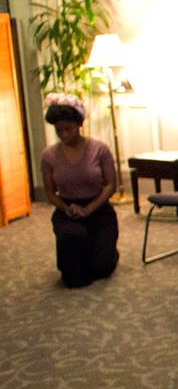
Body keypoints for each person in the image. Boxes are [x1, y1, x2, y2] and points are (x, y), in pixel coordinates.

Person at [40, 93, 119, 288]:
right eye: (59, 131)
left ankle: (105, 251)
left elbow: (110, 185)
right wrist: (67, 208)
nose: (64, 134)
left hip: (99, 209)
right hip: (68, 210)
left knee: (102, 269)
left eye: (68, 129)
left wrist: (90, 208)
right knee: (74, 277)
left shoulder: (99, 149)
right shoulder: (49, 156)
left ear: (80, 125)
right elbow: (50, 193)